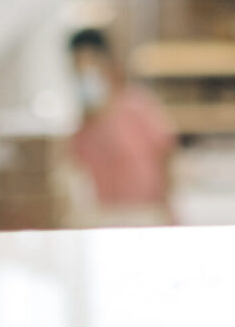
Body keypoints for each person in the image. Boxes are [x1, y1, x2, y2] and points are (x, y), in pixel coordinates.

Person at [67, 28, 178, 225]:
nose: (85, 70)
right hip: (107, 217)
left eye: (91, 62)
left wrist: (167, 207)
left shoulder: (138, 107)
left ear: (108, 63)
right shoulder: (81, 124)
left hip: (146, 214)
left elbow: (166, 154)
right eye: (78, 65)